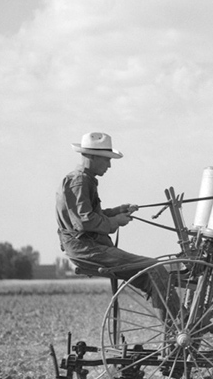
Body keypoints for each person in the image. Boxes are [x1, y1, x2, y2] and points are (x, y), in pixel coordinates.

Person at [56, 132, 174, 313]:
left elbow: (90, 215)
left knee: (150, 277)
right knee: (154, 268)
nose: (109, 165)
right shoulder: (79, 181)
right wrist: (115, 222)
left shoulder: (84, 180)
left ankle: (175, 327)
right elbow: (84, 222)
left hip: (88, 246)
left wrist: (117, 211)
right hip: (87, 248)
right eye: (107, 159)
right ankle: (182, 322)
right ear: (93, 157)